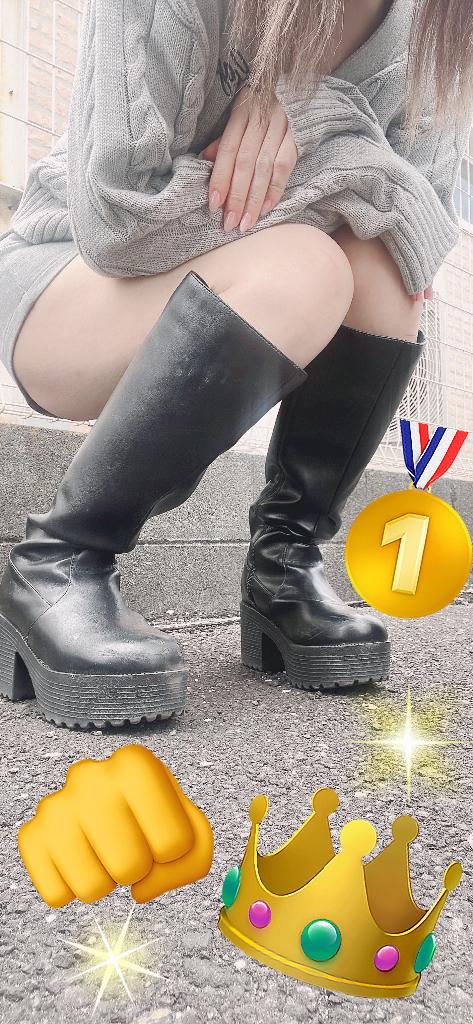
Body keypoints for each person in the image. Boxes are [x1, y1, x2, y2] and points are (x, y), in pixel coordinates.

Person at [0, 0, 471, 728]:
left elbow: (420, 230)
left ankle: (285, 565)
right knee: (309, 263)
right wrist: (339, 171)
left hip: (237, 266)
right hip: (73, 281)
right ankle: (59, 561)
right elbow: (120, 221)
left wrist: (304, 119)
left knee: (384, 270)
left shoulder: (431, 25)